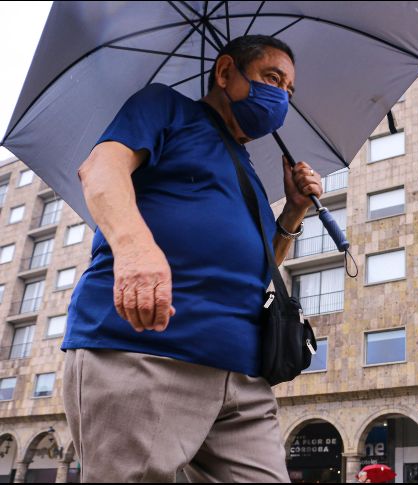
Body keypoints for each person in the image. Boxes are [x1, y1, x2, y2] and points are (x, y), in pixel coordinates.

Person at [61, 35, 323, 482]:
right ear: (225, 73)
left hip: (242, 373)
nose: (281, 97)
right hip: (144, 353)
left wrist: (293, 210)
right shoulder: (164, 108)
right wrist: (135, 248)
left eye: (289, 91)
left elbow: (261, 268)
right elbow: (100, 169)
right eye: (271, 79)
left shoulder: (249, 171)